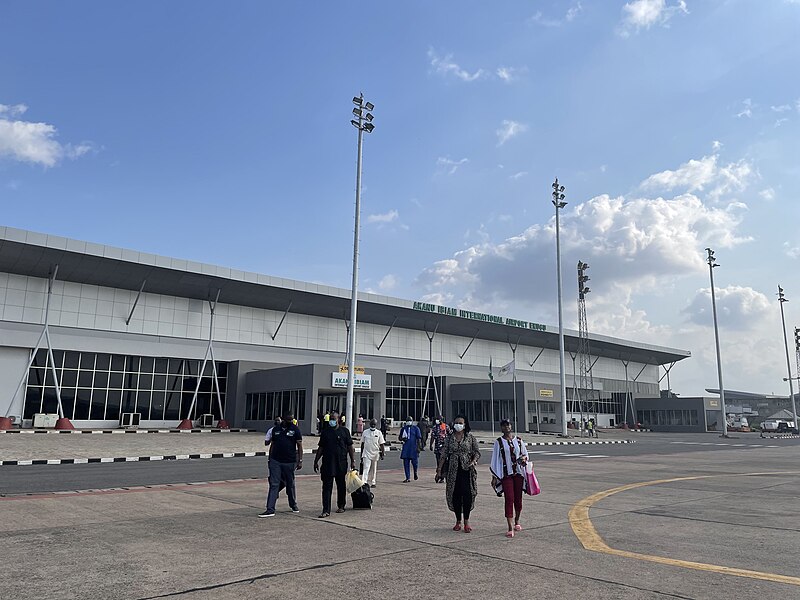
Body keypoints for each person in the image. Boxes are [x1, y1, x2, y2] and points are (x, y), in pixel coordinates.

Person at [436, 415, 480, 532]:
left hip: (467, 470)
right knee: (455, 495)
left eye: (460, 423)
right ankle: (458, 521)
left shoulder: (470, 438)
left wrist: (473, 460)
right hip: (453, 470)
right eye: (456, 423)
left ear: (465, 425)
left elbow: (477, 452)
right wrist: (439, 470)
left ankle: (466, 521)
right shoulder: (450, 438)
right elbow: (444, 454)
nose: (458, 425)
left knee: (467, 495)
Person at [490, 418, 530, 537]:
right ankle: (510, 526)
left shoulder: (518, 440)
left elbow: (525, 454)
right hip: (506, 475)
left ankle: (517, 521)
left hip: (518, 474)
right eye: (503, 426)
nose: (506, 427)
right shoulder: (499, 442)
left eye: (508, 425)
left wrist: (524, 459)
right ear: (501, 428)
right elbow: (495, 460)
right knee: (509, 498)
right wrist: (494, 477)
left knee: (518, 499)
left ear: (511, 426)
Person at [259, 413, 303, 517]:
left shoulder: (295, 429)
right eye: (288, 420)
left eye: (291, 420)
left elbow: (300, 445)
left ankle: (293, 504)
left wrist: (300, 460)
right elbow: (272, 444)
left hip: (289, 461)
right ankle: (270, 509)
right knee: (274, 484)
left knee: (290, 484)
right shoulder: (275, 430)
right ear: (283, 419)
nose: (290, 422)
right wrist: (270, 459)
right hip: (276, 461)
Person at [313, 411, 356, 518]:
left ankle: (341, 505)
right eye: (331, 418)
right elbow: (321, 447)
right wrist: (316, 461)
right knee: (326, 487)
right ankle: (325, 509)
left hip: (341, 463)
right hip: (327, 464)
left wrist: (353, 461)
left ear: (339, 420)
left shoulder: (345, 431)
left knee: (341, 485)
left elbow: (350, 447)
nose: (332, 420)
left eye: (334, 418)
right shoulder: (325, 432)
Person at [360, 418, 385, 487]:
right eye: (372, 424)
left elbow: (382, 444)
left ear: (376, 425)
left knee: (374, 469)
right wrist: (361, 454)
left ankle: (373, 482)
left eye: (374, 424)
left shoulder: (379, 433)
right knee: (366, 468)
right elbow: (362, 444)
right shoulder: (365, 432)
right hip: (366, 453)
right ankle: (364, 482)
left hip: (375, 453)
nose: (373, 425)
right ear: (370, 424)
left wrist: (383, 453)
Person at [398, 417, 422, 482]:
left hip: (414, 448)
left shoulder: (416, 428)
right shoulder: (403, 429)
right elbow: (399, 437)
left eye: (410, 421)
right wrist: (402, 438)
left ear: (412, 421)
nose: (409, 422)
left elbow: (419, 438)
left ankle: (415, 472)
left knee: (415, 463)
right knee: (406, 463)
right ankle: (407, 477)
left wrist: (419, 447)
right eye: (407, 421)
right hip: (406, 448)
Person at [429, 416, 451, 481]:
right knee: (438, 462)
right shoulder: (435, 427)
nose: (437, 421)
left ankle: (442, 476)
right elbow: (432, 436)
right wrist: (431, 445)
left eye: (438, 419)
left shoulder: (446, 426)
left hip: (445, 448)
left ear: (442, 420)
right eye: (437, 419)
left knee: (444, 462)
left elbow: (450, 435)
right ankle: (440, 474)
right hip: (437, 448)